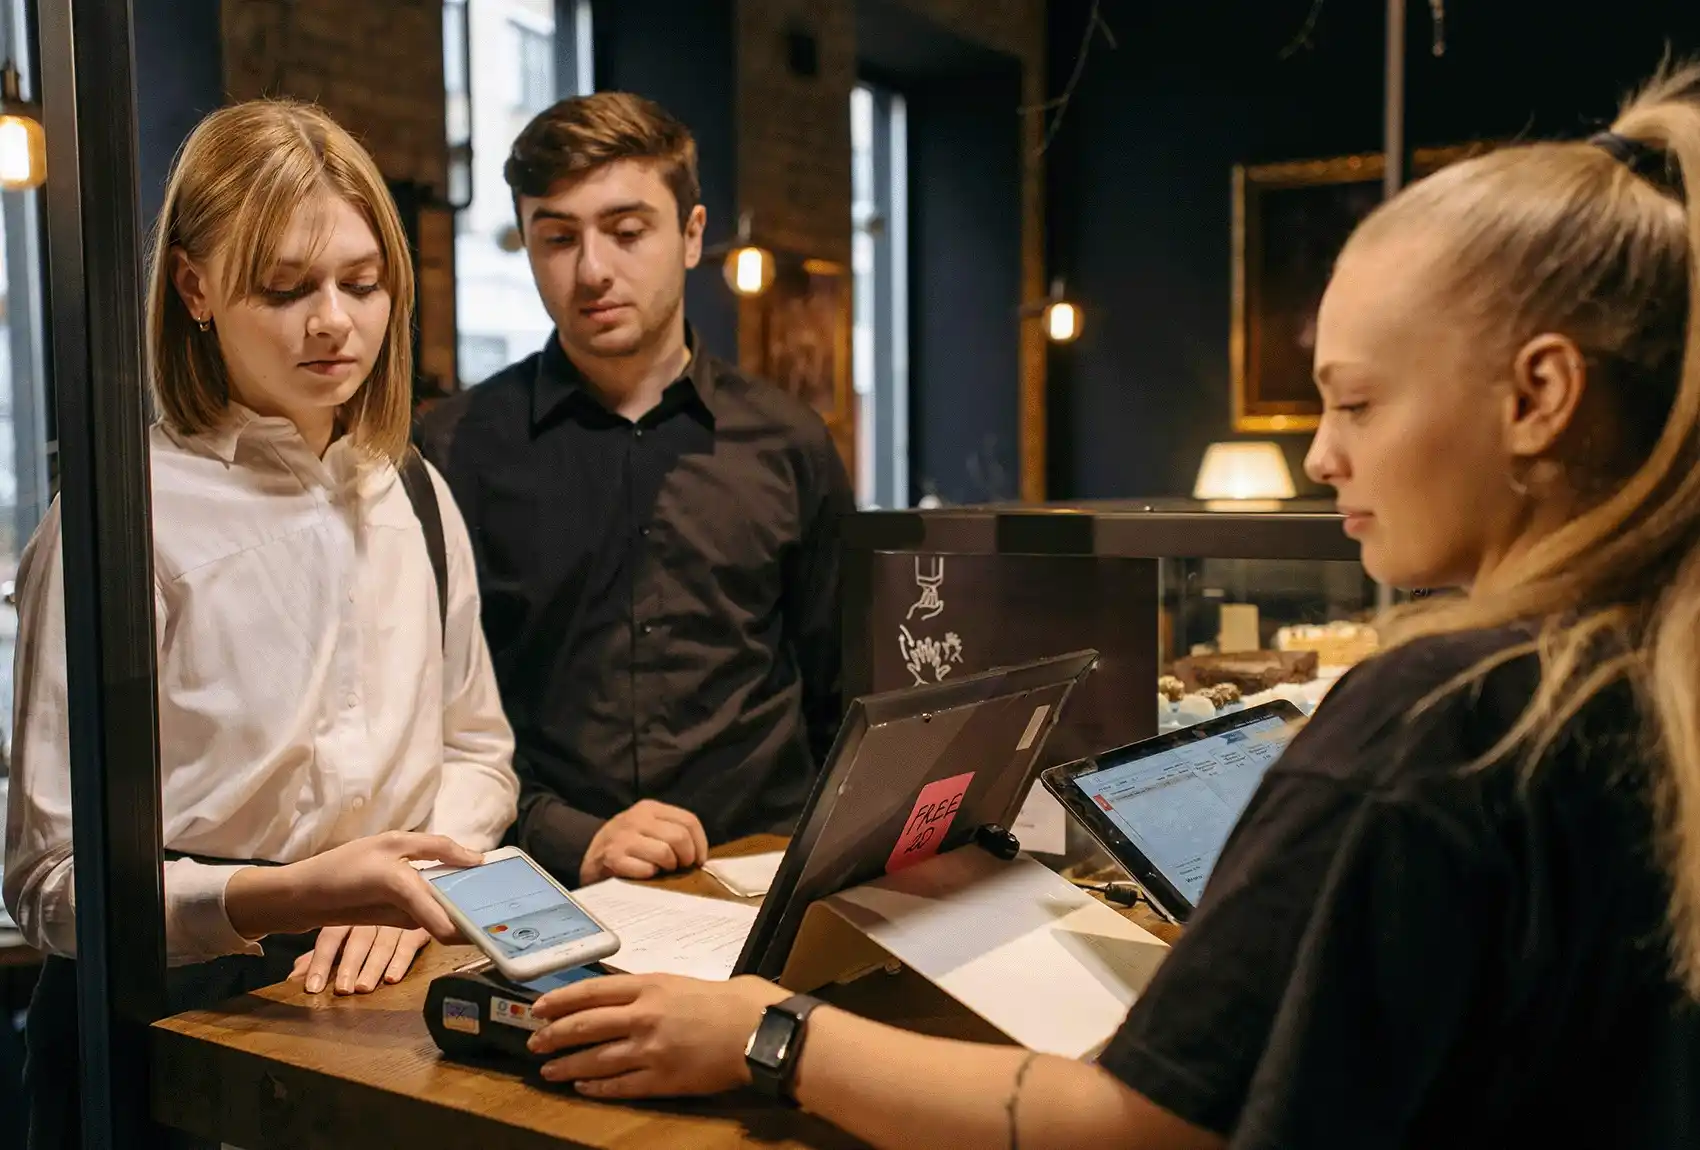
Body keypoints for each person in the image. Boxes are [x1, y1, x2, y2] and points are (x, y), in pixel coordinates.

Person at [518, 64, 1700, 1149]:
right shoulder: (1645, 662)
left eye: (1354, 403)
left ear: (1538, 393)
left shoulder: (1437, 720)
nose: (1323, 458)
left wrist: (764, 1032)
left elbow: (1137, 1124)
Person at [4, 99, 518, 1149]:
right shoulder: (122, 515)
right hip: (173, 1015)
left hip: (384, 981)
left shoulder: (411, 487)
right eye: (285, 288)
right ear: (193, 286)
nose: (333, 322)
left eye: (362, 283)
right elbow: (47, 886)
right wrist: (283, 896)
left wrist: (407, 878)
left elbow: (479, 751)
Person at [418, 92, 853, 888]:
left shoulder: (789, 442)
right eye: (556, 237)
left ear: (691, 236)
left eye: (626, 232)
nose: (591, 270)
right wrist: (565, 835)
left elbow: (839, 687)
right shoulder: (450, 449)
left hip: (768, 866)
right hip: (548, 881)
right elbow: (429, 719)